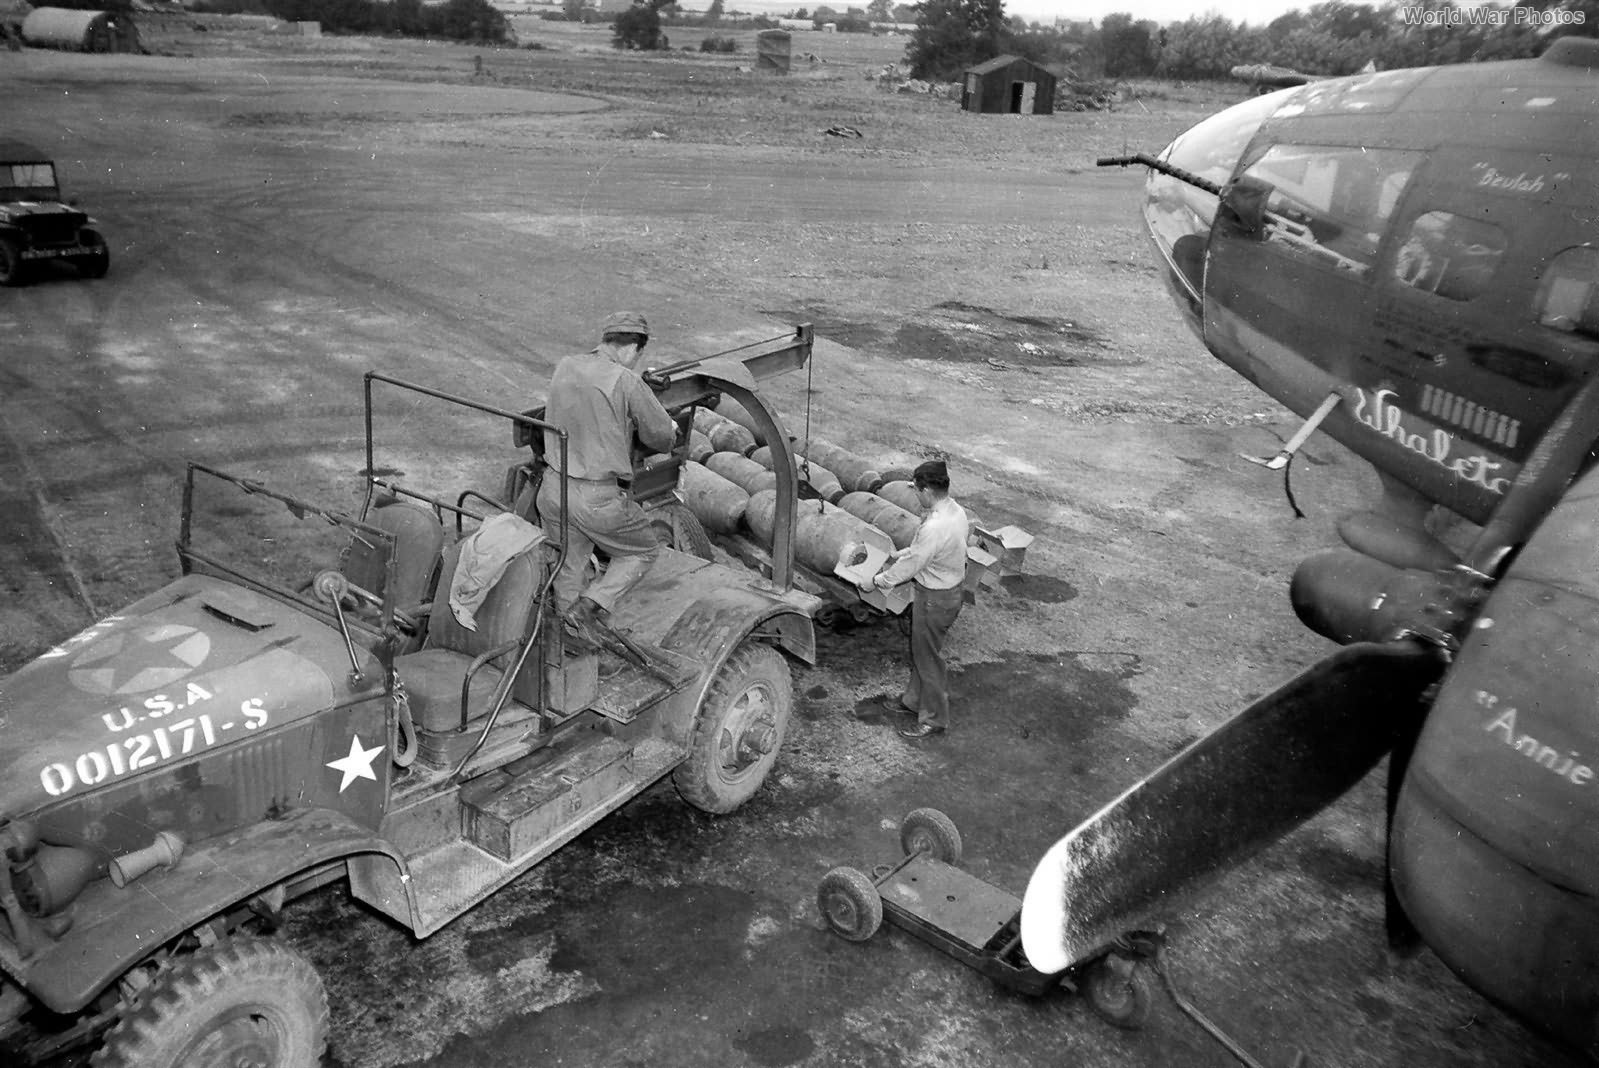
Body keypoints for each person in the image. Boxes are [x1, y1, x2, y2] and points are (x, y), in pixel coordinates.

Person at [537, 311, 676, 645]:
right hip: (595, 500)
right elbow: (660, 437)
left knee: (570, 564)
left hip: (553, 490)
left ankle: (573, 638)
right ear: (634, 348)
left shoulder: (566, 364)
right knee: (642, 551)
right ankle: (591, 604)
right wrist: (668, 427)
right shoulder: (626, 380)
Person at [858, 459, 969, 739]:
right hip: (949, 593)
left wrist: (876, 581)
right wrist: (904, 552)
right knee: (922, 653)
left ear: (928, 491)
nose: (916, 496)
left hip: (935, 599)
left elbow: (913, 565)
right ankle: (913, 701)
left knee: (928, 659)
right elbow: (929, 551)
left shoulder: (935, 526)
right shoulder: (956, 512)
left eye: (917, 490)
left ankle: (934, 719)